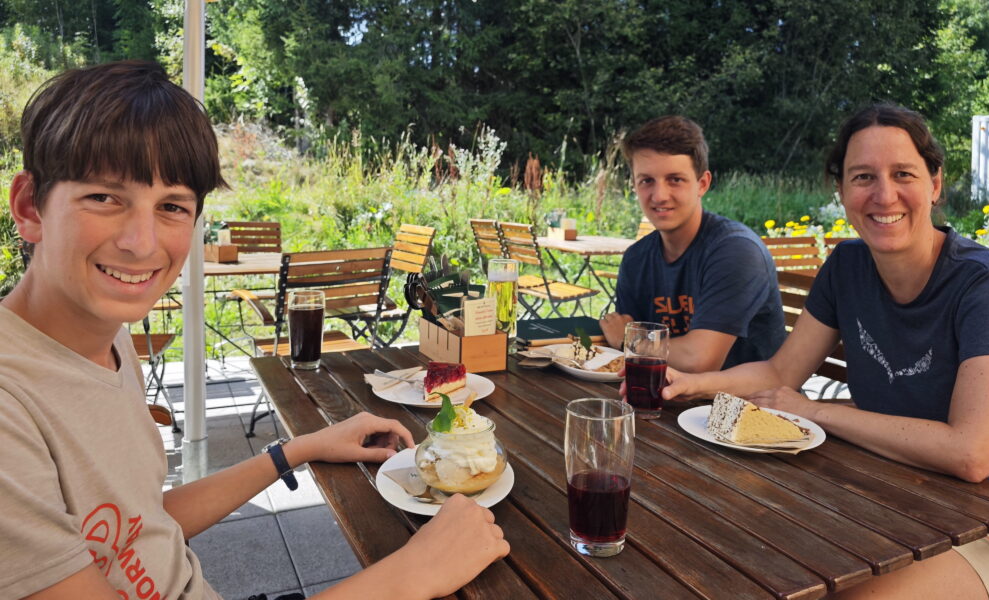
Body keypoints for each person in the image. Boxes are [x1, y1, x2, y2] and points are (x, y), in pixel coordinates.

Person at [0, 61, 509, 600]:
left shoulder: (108, 341)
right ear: (30, 207)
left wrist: (300, 448)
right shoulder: (13, 406)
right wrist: (410, 577)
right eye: (104, 197)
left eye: (171, 206)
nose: (141, 242)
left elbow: (141, 525)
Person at [661, 104, 989, 598]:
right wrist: (692, 384)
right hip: (886, 497)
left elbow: (973, 454)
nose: (883, 194)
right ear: (841, 190)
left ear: (935, 183)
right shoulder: (847, 266)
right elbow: (780, 370)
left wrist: (816, 412)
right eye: (862, 177)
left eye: (903, 174)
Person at [599, 115, 786, 371]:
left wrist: (629, 340)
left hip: (750, 405)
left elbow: (700, 359)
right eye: (646, 181)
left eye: (675, 179)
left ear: (702, 184)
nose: (660, 196)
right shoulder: (637, 258)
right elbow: (631, 358)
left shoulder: (736, 251)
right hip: (669, 400)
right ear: (634, 185)